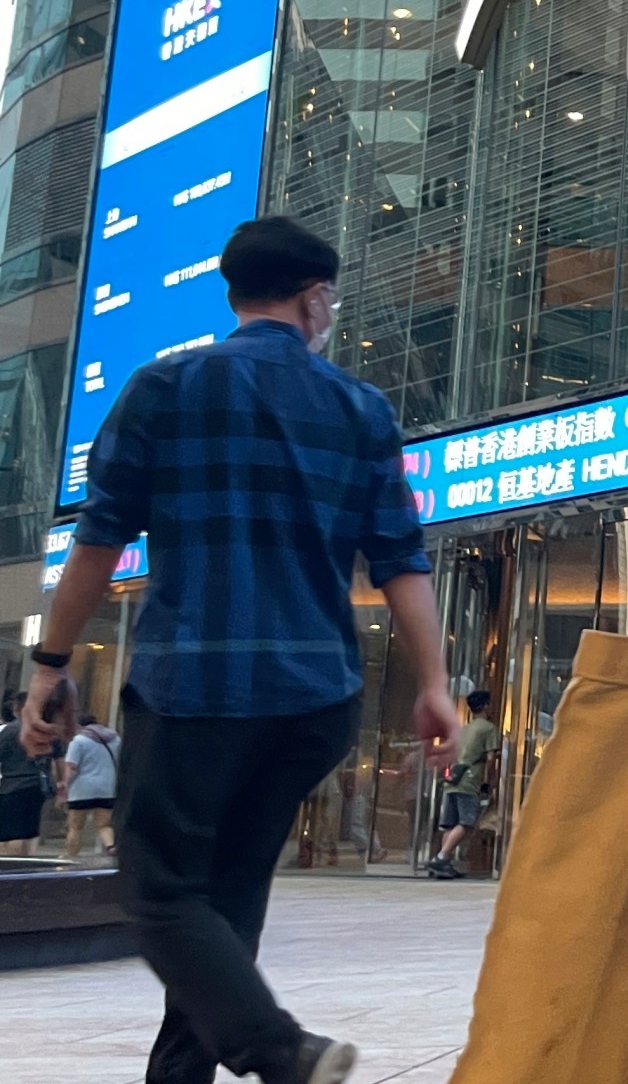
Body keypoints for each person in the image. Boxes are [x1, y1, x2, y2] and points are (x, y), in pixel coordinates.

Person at [22, 215, 460, 1084]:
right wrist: (435, 683)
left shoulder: (162, 388)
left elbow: (98, 544)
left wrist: (51, 662)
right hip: (313, 696)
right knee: (225, 899)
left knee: (158, 891)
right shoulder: (360, 407)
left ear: (235, 294)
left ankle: (279, 1050)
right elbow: (401, 561)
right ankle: (187, 1072)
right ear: (314, 298)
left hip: (196, 687)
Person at [426, 692, 499, 879]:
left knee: (450, 824)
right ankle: (441, 858)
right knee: (467, 823)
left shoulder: (463, 730)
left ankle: (444, 864)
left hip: (454, 781)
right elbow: (491, 759)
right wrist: (488, 782)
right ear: (485, 706)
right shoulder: (489, 729)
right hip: (469, 781)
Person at [0, 693, 56, 857]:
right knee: (30, 830)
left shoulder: (11, 730)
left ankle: (10, 868)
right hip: (39, 786)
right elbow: (58, 760)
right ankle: (26, 863)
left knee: (11, 832)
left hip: (12, 786)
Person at [61, 714, 120, 859]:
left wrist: (64, 784)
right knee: (104, 825)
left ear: (80, 726)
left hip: (82, 789)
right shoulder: (116, 739)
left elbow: (72, 767)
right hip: (107, 788)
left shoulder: (78, 741)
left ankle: (71, 857)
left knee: (75, 827)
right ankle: (110, 848)